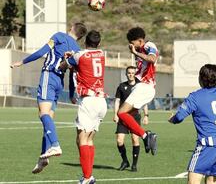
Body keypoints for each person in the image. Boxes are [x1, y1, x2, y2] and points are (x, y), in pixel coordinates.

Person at [10, 23, 87, 174]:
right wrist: (71, 93)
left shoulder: (59, 36)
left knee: (43, 114)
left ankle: (55, 144)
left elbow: (42, 52)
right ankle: (43, 157)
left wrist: (22, 62)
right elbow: (72, 73)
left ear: (72, 28)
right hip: (60, 82)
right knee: (48, 120)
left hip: (49, 75)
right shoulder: (77, 50)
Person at [169, 64, 216, 184]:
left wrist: (172, 119)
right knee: (211, 180)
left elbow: (179, 117)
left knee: (193, 179)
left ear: (201, 78)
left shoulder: (195, 96)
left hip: (208, 143)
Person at [64, 30, 107, 184]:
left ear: (85, 42)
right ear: (99, 44)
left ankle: (87, 177)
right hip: (101, 101)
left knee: (81, 139)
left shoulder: (79, 55)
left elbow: (65, 65)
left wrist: (67, 59)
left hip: (88, 101)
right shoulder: (102, 54)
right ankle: (88, 176)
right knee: (88, 139)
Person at [116, 27, 158, 155]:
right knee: (128, 117)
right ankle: (147, 137)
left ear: (140, 40)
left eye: (132, 42)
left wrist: (135, 53)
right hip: (142, 88)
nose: (131, 45)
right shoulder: (140, 49)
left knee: (121, 113)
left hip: (145, 87)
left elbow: (152, 59)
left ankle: (146, 136)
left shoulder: (149, 45)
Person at [113, 66, 149, 172]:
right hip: (123, 116)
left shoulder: (139, 86)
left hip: (135, 116)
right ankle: (125, 161)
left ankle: (134, 165)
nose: (131, 75)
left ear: (135, 74)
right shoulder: (121, 86)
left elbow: (144, 102)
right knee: (119, 140)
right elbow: (117, 101)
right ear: (126, 73)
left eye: (133, 73)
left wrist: (146, 115)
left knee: (135, 139)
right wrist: (115, 114)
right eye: (129, 73)